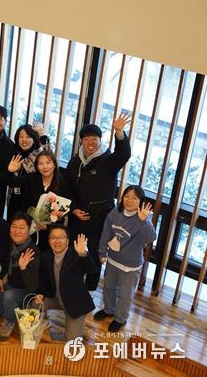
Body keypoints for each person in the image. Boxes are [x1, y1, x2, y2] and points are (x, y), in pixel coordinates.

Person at [64, 113, 131, 291]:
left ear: (100, 140)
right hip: (77, 218)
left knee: (94, 253)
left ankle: (90, 289)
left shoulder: (108, 161)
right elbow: (67, 189)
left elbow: (124, 154)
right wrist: (73, 209)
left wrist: (119, 133)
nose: (90, 142)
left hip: (100, 219)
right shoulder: (74, 162)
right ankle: (73, 285)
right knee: (73, 251)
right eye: (86, 139)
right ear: (81, 141)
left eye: (94, 138)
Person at [95, 185, 156, 332]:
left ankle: (120, 319)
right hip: (113, 259)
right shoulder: (115, 212)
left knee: (125, 295)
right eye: (126, 196)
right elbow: (106, 233)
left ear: (140, 201)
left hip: (131, 266)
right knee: (108, 287)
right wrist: (102, 252)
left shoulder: (143, 218)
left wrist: (143, 221)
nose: (129, 200)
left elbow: (150, 238)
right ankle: (108, 310)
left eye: (134, 198)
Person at [0, 211, 40, 342]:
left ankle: (9, 321)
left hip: (25, 289)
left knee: (9, 296)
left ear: (29, 230)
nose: (17, 231)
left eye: (21, 228)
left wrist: (23, 268)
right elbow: (5, 261)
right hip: (10, 284)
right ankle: (17, 309)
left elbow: (33, 286)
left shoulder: (32, 251)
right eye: (14, 226)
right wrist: (0, 278)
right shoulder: (11, 243)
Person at [35, 225, 97, 341]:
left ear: (67, 241)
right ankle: (46, 321)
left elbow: (92, 270)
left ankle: (74, 332)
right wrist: (40, 293)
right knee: (35, 304)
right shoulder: (46, 256)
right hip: (55, 297)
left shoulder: (76, 254)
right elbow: (43, 279)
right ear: (49, 241)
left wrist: (83, 254)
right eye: (53, 237)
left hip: (74, 303)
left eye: (61, 237)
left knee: (73, 340)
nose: (57, 241)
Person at [8, 151, 71, 253]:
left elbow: (65, 209)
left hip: (50, 230)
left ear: (54, 164)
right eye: (41, 164)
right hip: (29, 228)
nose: (45, 167)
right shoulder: (30, 179)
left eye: (48, 163)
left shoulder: (62, 183)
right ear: (37, 167)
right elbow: (14, 183)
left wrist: (48, 226)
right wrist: (11, 171)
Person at [6, 123, 50, 219]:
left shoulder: (37, 155)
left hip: (31, 202)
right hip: (14, 200)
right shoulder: (15, 154)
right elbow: (9, 180)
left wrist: (42, 135)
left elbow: (48, 154)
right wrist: (10, 171)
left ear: (34, 139)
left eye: (28, 137)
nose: (24, 140)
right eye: (21, 137)